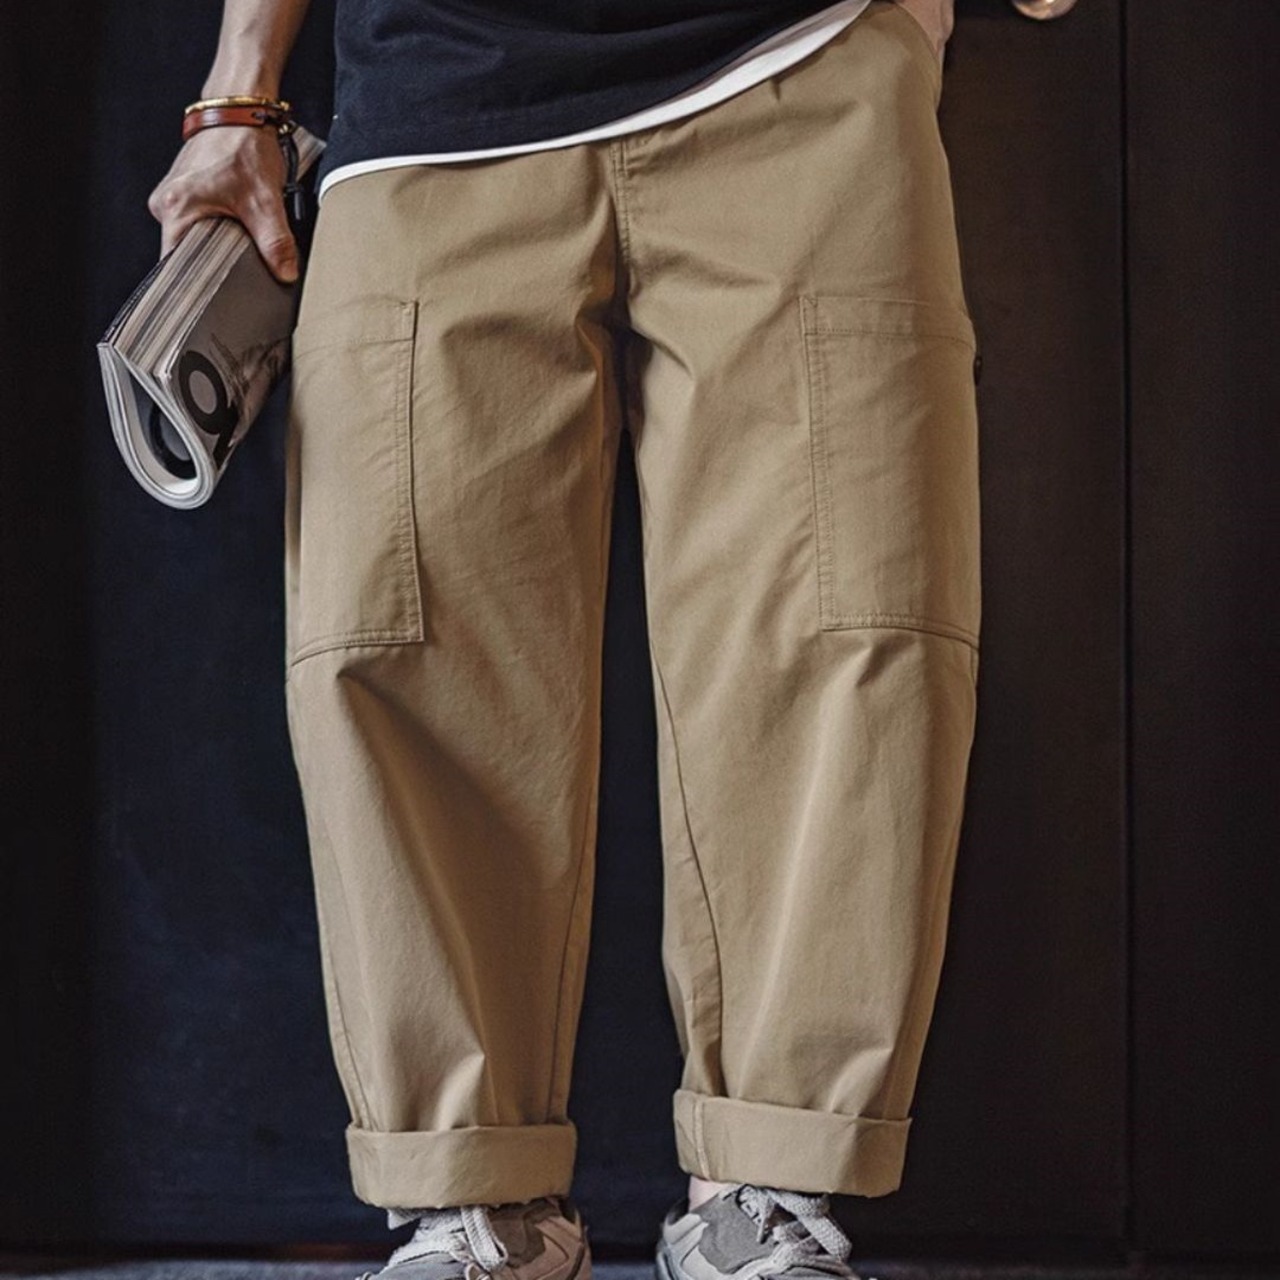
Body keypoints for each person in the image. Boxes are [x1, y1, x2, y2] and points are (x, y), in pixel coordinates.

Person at [148, 0, 979, 1277]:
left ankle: (763, 1195)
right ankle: (475, 1200)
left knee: (839, 625)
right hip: (433, 92)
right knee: (404, 644)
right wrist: (238, 90)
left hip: (802, 60)